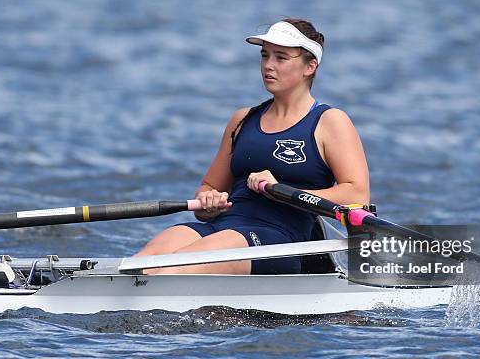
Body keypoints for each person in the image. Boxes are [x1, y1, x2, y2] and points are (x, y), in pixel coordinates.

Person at [134, 18, 369, 274]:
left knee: (175, 268)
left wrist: (281, 190)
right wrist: (209, 201)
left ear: (310, 66)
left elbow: (357, 196)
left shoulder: (330, 121)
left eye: (281, 58)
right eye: (264, 55)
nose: (268, 65)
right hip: (221, 225)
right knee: (142, 264)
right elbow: (209, 187)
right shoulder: (242, 120)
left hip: (278, 240)